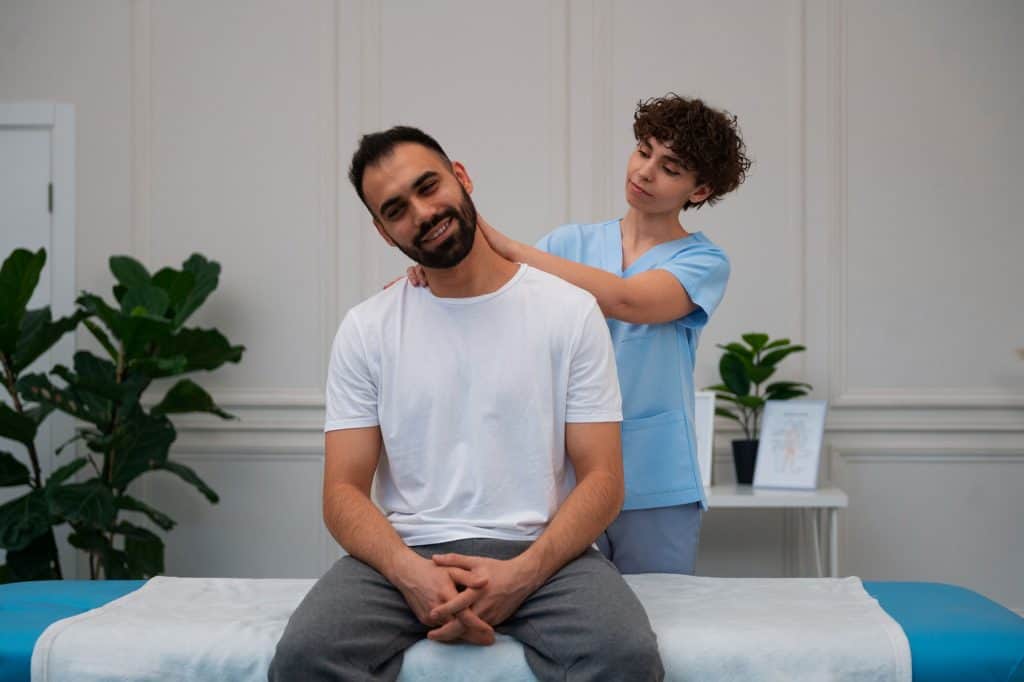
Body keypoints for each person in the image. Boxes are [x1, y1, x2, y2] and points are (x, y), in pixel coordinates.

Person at [269, 126, 664, 681]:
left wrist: (523, 575)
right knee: (306, 656)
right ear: (383, 231)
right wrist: (410, 574)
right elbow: (341, 492)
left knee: (624, 656)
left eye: (428, 186)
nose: (423, 213)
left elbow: (603, 479)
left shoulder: (570, 313)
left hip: (545, 554)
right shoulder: (367, 329)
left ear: (461, 176)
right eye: (396, 210)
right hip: (408, 553)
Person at [405, 94, 750, 575]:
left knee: (662, 613)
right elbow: (498, 298)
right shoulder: (569, 244)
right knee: (572, 610)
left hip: (655, 481)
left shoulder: (703, 262)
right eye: (643, 151)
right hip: (567, 482)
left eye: (670, 168)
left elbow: (627, 300)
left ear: (699, 190)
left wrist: (506, 246)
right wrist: (431, 274)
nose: (645, 171)